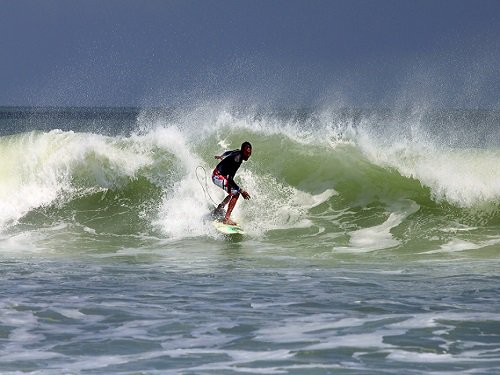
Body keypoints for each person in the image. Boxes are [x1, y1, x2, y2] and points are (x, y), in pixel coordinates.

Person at [212, 141, 252, 225]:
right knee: (236, 193)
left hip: (220, 175)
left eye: (249, 153)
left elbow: (228, 152)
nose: (248, 155)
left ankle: (220, 207)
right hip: (217, 176)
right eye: (246, 153)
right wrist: (242, 191)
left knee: (232, 192)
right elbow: (230, 179)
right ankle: (226, 219)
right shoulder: (237, 159)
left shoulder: (238, 151)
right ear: (242, 151)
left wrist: (221, 156)